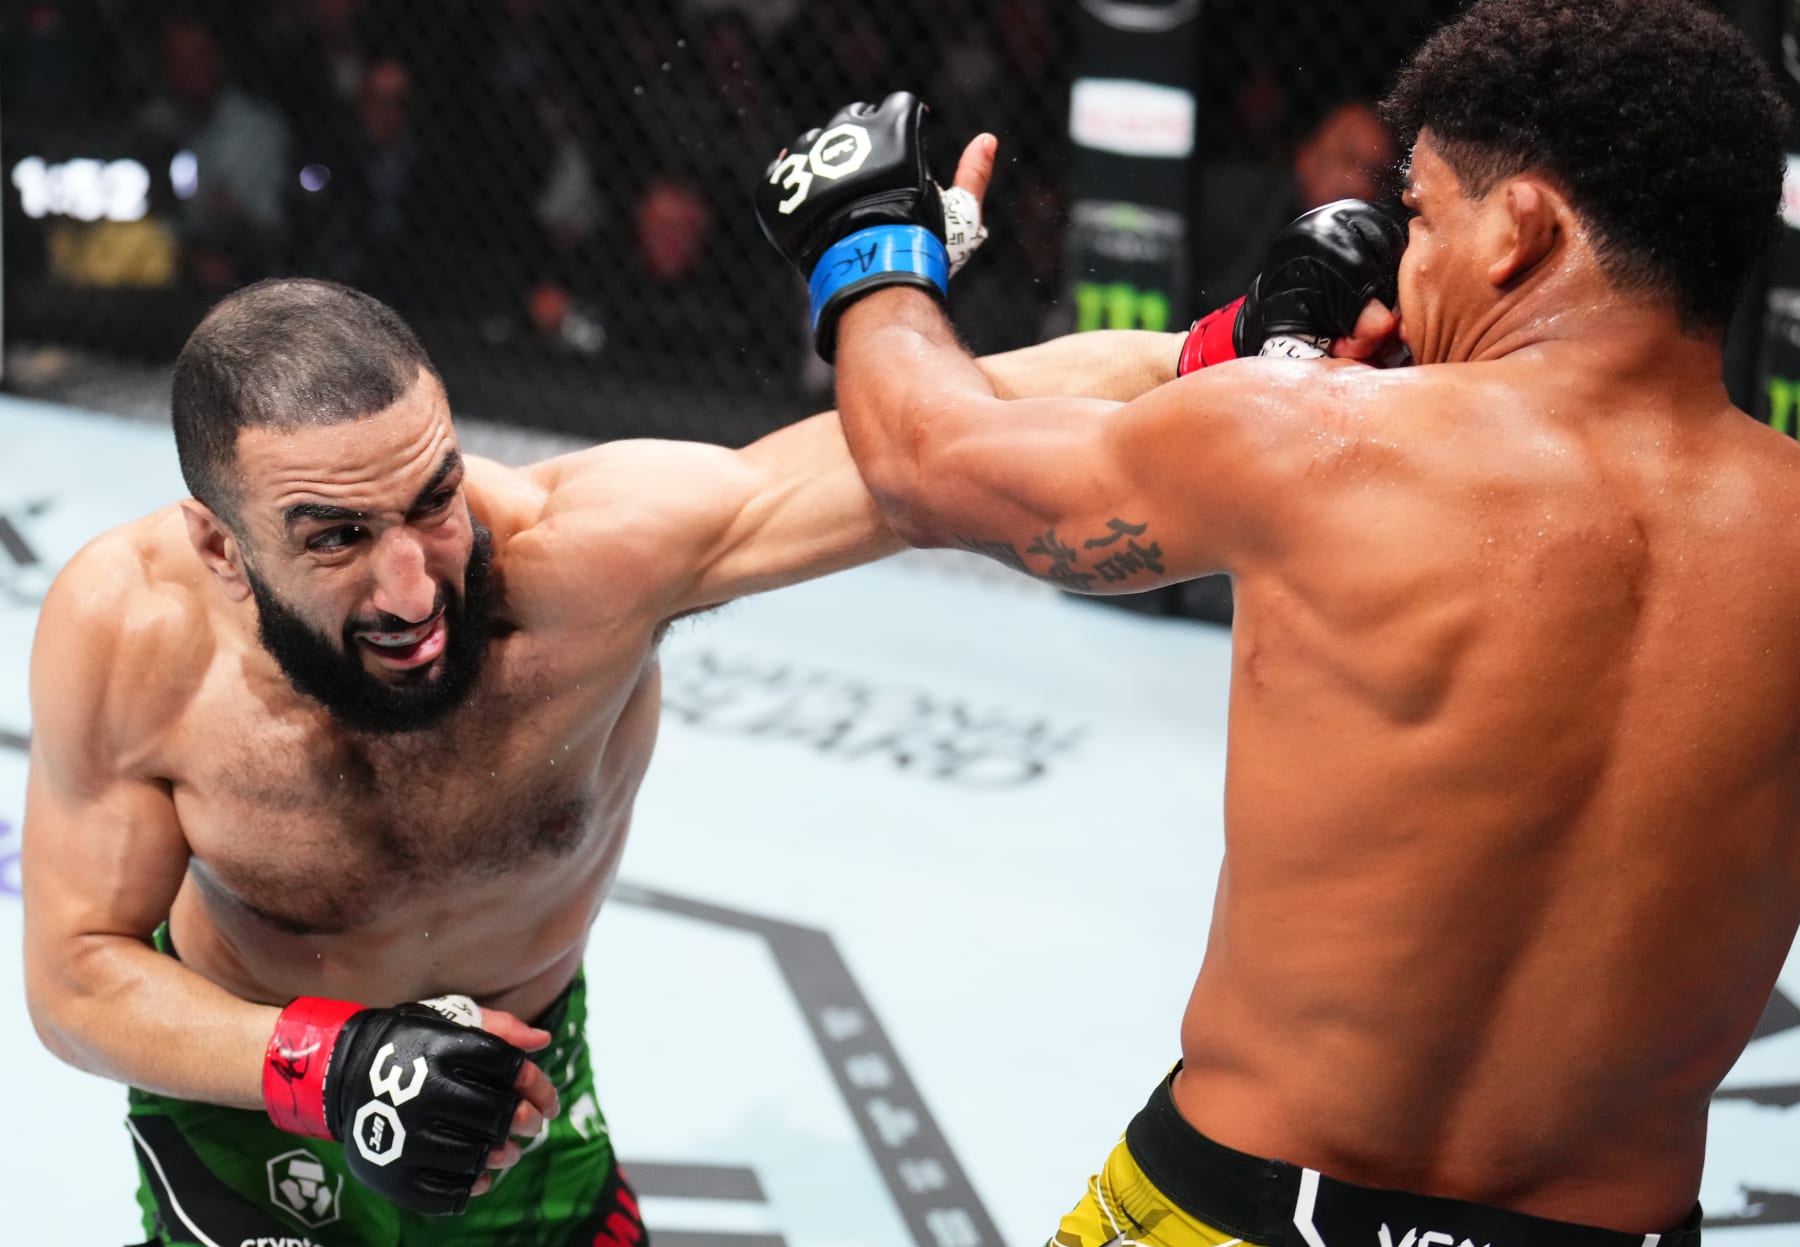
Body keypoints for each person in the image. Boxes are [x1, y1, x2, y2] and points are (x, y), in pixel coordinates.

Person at [754, 0, 1798, 1241]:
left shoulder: (1320, 443)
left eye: (1421, 217)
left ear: (1519, 229)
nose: (1402, 261)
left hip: (1245, 1205)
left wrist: (868, 241)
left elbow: (928, 459)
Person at [20, 229, 1189, 1240]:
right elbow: (76, 975)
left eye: (434, 499)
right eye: (332, 537)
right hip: (248, 1098)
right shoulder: (132, 630)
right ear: (223, 548)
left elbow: (958, 440)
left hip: (522, 1088)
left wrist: (1232, 351)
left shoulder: (589, 562)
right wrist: (324, 1062)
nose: (413, 587)